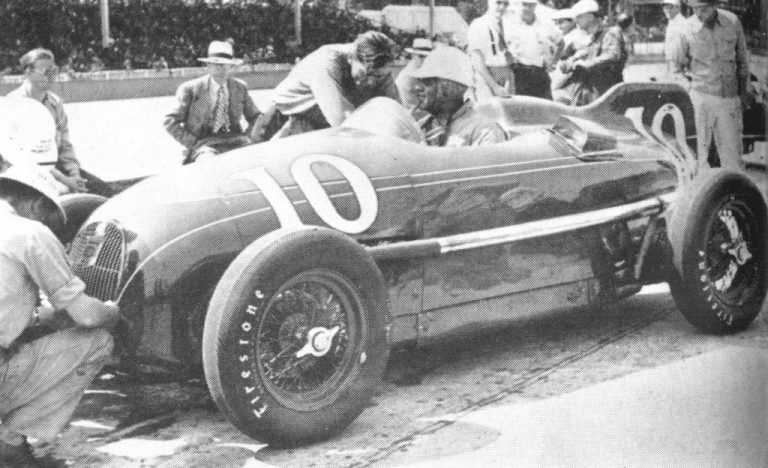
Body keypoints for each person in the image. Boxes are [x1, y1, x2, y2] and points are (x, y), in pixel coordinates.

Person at [0, 167, 121, 468]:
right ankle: (10, 443)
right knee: (97, 342)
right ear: (36, 206)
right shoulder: (30, 233)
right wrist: (112, 311)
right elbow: (87, 316)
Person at [254, 31, 399, 140]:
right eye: (365, 75)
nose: (372, 82)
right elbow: (342, 121)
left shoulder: (380, 70)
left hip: (326, 125)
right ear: (351, 57)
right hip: (285, 120)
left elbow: (398, 114)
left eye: (378, 77)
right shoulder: (326, 62)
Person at [670, 0, 749, 171]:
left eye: (704, 9)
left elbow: (742, 62)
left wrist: (743, 93)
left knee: (733, 158)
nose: (698, 13)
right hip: (700, 100)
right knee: (699, 158)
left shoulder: (732, 22)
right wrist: (690, 90)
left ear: (714, 6)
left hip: (729, 100)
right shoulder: (685, 28)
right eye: (695, 9)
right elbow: (675, 69)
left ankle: (732, 187)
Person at [164, 40, 261, 164]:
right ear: (208, 65)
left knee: (254, 161)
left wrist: (248, 137)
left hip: (236, 140)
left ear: (231, 67)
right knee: (209, 165)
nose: (219, 68)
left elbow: (256, 117)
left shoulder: (239, 87)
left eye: (224, 64)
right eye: (215, 64)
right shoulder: (191, 89)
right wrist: (192, 142)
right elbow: (169, 121)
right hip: (204, 144)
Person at [7, 48, 87, 193]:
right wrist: (66, 180)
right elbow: (27, 158)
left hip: (55, 168)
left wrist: (75, 174)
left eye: (54, 70)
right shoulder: (15, 104)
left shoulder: (55, 103)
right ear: (28, 73)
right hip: (25, 171)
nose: (52, 75)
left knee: (101, 191)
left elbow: (64, 145)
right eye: (46, 71)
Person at [412, 47, 507, 147]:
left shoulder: (484, 130)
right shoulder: (421, 127)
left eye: (427, 82)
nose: (417, 87)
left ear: (451, 87)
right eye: (418, 81)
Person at [560, 0, 626, 105]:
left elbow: (612, 55)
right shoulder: (579, 39)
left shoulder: (610, 33)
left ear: (591, 16)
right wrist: (572, 60)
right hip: (582, 93)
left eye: (579, 16)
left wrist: (586, 64)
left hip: (604, 92)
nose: (576, 20)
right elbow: (563, 63)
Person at [506, 0, 562, 99]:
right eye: (524, 4)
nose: (527, 8)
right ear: (519, 5)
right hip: (518, 74)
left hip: (539, 74)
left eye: (530, 5)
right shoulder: (510, 25)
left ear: (535, 6)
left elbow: (561, 44)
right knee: (520, 106)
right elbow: (502, 47)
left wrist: (553, 63)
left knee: (545, 106)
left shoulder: (545, 25)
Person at [467, 0, 516, 98]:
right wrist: (495, 87)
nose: (502, 7)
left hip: (506, 76)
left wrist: (509, 78)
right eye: (498, 2)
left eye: (506, 4)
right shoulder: (479, 24)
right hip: (488, 79)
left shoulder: (507, 25)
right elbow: (477, 60)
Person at [395, 38, 434, 110]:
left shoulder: (425, 71)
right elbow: (410, 109)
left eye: (428, 57)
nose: (425, 60)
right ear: (413, 56)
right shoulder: (407, 78)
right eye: (421, 56)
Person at [662, 0, 686, 76]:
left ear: (678, 8)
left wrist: (679, 68)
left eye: (670, 7)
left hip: (678, 68)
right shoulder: (672, 21)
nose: (667, 10)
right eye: (665, 7)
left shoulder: (681, 23)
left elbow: (680, 49)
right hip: (672, 65)